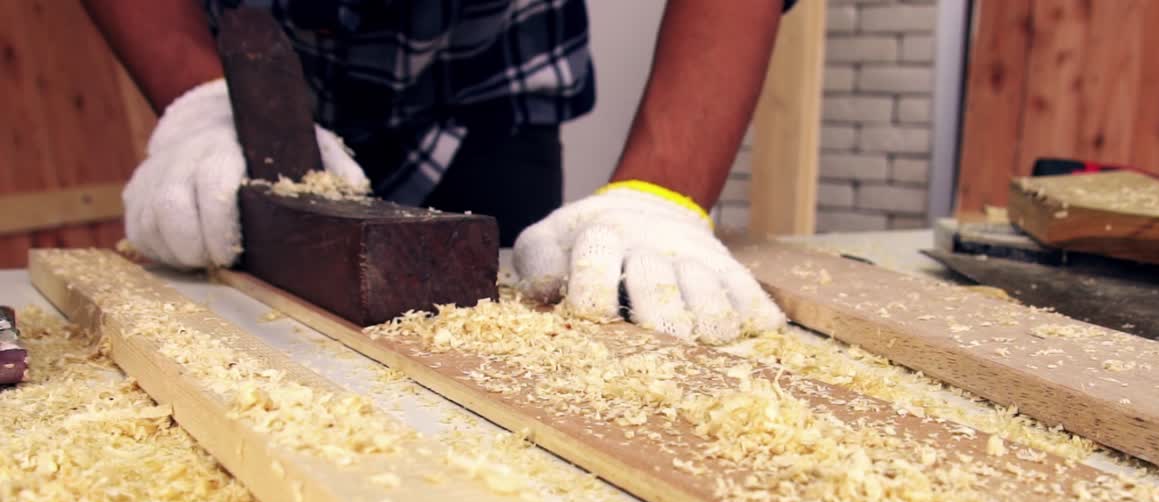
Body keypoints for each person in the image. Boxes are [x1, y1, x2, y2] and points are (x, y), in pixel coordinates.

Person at [84, 0, 792, 344]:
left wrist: (659, 189)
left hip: (491, 70)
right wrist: (198, 102)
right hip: (274, 49)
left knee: (511, 314)